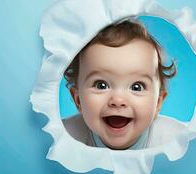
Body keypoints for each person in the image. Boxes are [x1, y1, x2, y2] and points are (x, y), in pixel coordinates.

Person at [62, 17, 176, 150]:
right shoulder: (66, 137)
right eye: (101, 85)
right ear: (78, 100)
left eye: (137, 87)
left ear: (158, 102)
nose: (118, 100)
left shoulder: (173, 139)